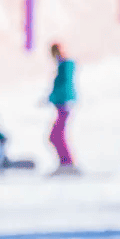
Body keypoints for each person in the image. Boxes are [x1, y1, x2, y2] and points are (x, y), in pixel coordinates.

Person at [47, 41, 78, 175]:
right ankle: (65, 162)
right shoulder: (63, 65)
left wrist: (53, 97)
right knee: (55, 135)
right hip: (62, 104)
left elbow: (63, 86)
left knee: (56, 135)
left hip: (64, 105)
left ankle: (67, 163)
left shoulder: (65, 66)